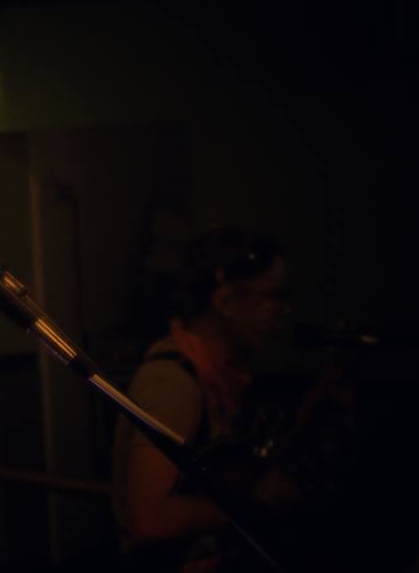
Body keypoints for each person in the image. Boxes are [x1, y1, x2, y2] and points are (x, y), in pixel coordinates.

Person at [111, 227, 355, 572]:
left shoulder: (223, 376)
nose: (285, 310)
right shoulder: (174, 384)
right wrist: (255, 502)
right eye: (275, 296)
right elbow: (150, 520)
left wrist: (309, 416)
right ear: (225, 301)